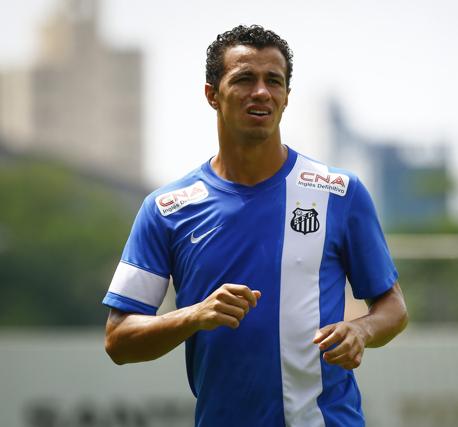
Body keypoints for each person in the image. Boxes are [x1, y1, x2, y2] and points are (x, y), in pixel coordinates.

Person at [102, 24, 408, 427]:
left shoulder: (338, 192)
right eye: (245, 79)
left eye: (273, 81)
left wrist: (361, 331)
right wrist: (194, 315)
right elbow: (119, 339)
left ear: (286, 97)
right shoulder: (166, 208)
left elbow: (393, 306)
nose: (261, 92)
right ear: (212, 94)